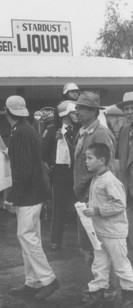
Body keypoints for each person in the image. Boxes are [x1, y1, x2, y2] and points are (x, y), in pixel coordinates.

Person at [4, 95, 60, 300]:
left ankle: (48, 279)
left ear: (6, 112)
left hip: (28, 194)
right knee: (31, 235)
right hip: (36, 191)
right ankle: (32, 281)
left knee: (26, 236)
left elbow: (23, 168)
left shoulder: (19, 133)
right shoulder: (27, 130)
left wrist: (12, 195)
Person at [78, 143, 133, 308]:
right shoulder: (96, 177)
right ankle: (97, 292)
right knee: (99, 264)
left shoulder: (110, 181)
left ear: (101, 160)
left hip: (114, 233)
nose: (86, 161)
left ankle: (129, 294)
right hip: (100, 232)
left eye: (89, 158)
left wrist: (96, 210)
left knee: (121, 265)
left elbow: (119, 204)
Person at [74, 92, 116, 265]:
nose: (77, 111)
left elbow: (105, 167)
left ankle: (109, 289)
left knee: (101, 244)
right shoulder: (82, 132)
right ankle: (98, 286)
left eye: (82, 108)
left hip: (95, 196)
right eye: (77, 107)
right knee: (87, 244)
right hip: (83, 195)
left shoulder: (101, 134)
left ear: (93, 112)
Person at [41, 100, 79, 251]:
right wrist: (51, 165)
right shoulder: (52, 129)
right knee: (59, 210)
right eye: (74, 113)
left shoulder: (80, 129)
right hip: (60, 175)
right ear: (65, 114)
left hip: (76, 174)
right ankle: (55, 240)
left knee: (83, 208)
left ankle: (87, 241)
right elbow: (42, 152)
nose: (77, 115)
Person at [116, 91, 133, 265]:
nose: (129, 112)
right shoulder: (124, 130)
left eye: (131, 108)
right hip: (127, 187)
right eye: (126, 109)